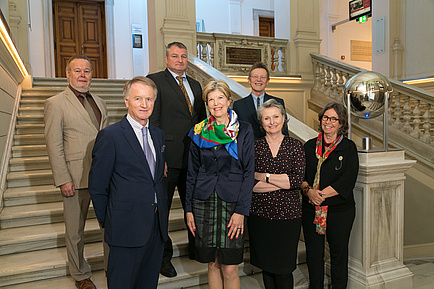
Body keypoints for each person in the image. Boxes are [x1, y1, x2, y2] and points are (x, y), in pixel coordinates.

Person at [88, 76, 168, 289]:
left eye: (149, 99)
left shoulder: (158, 135)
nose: (144, 105)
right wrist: (110, 221)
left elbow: (155, 180)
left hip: (156, 227)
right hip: (125, 229)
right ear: (126, 101)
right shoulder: (110, 136)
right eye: (138, 99)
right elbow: (97, 186)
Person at [44, 55, 108, 289]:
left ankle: (113, 267)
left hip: (102, 177)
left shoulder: (100, 102)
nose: (83, 75)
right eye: (78, 71)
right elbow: (54, 144)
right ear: (67, 74)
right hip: (74, 177)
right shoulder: (56, 103)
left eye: (87, 71)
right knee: (75, 232)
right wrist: (63, 179)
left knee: (109, 226)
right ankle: (81, 275)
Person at [185, 80, 254, 289]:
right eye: (211, 99)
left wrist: (241, 211)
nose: (216, 103)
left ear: (229, 100)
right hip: (203, 202)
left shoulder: (244, 130)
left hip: (232, 203)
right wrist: (188, 209)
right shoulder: (198, 131)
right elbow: (191, 173)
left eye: (220, 98)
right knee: (212, 264)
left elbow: (249, 173)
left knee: (230, 266)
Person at [147, 41, 207, 277]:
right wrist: (158, 157)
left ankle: (196, 249)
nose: (180, 60)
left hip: (193, 159)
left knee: (193, 207)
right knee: (162, 210)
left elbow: (201, 123)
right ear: (166, 59)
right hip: (167, 159)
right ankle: (163, 258)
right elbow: (154, 122)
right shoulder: (155, 81)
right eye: (175, 56)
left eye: (183, 56)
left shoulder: (195, 84)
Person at [300, 102, 359, 289]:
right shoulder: (309, 146)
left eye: (334, 119)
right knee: (314, 255)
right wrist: (309, 192)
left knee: (338, 254)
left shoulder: (349, 148)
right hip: (311, 210)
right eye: (326, 117)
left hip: (340, 211)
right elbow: (300, 177)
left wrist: (320, 195)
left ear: (341, 123)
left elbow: (348, 181)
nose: (329, 122)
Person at [248, 99, 306, 289]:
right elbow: (250, 184)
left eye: (275, 117)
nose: (272, 122)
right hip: (260, 216)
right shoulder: (254, 147)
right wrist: (282, 181)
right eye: (267, 118)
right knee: (267, 267)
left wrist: (263, 176)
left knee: (284, 269)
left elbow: (296, 181)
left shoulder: (295, 146)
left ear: (283, 119)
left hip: (288, 218)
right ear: (261, 122)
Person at [233, 62, 288, 139]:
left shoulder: (278, 102)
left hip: (272, 148)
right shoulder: (238, 105)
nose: (259, 80)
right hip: (248, 148)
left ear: (267, 81)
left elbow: (284, 131)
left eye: (262, 77)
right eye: (255, 76)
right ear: (249, 80)